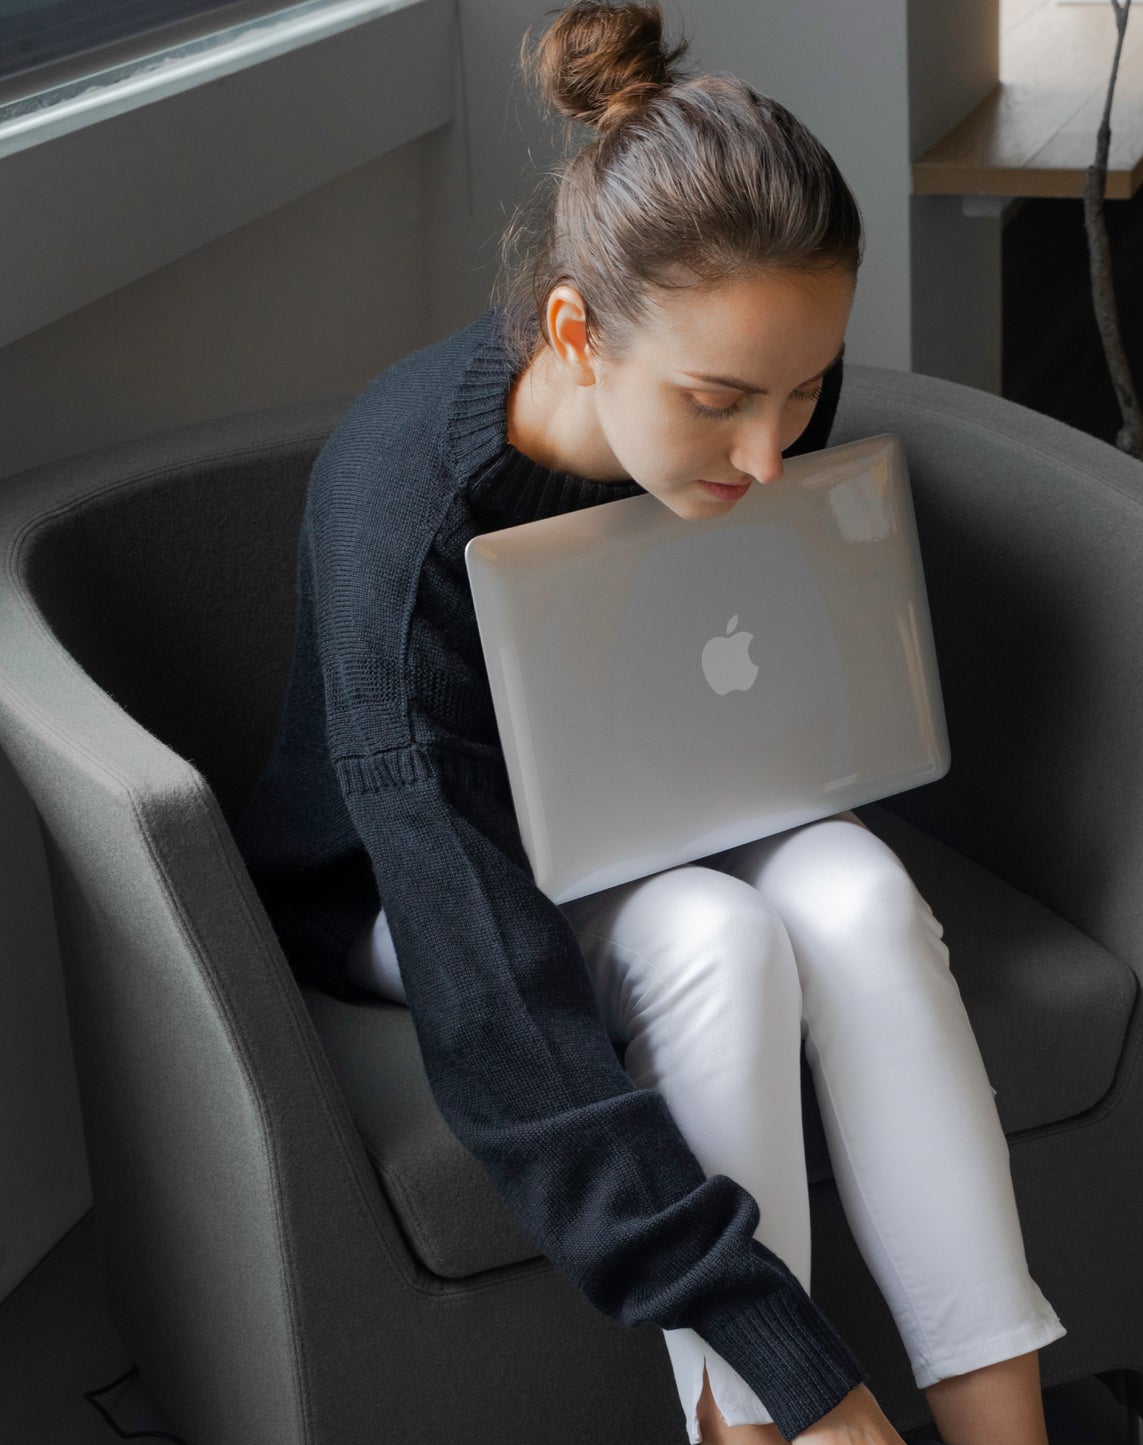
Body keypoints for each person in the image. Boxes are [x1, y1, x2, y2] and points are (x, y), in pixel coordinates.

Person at [230, 3, 1067, 1442]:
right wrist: (812, 1381)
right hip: (405, 886)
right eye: (719, 400)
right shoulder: (402, 512)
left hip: (660, 804)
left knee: (858, 891)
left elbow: (763, 658)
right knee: (707, 939)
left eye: (805, 390)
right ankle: (763, 1431)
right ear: (576, 330)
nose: (770, 452)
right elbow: (492, 1007)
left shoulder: (756, 414)